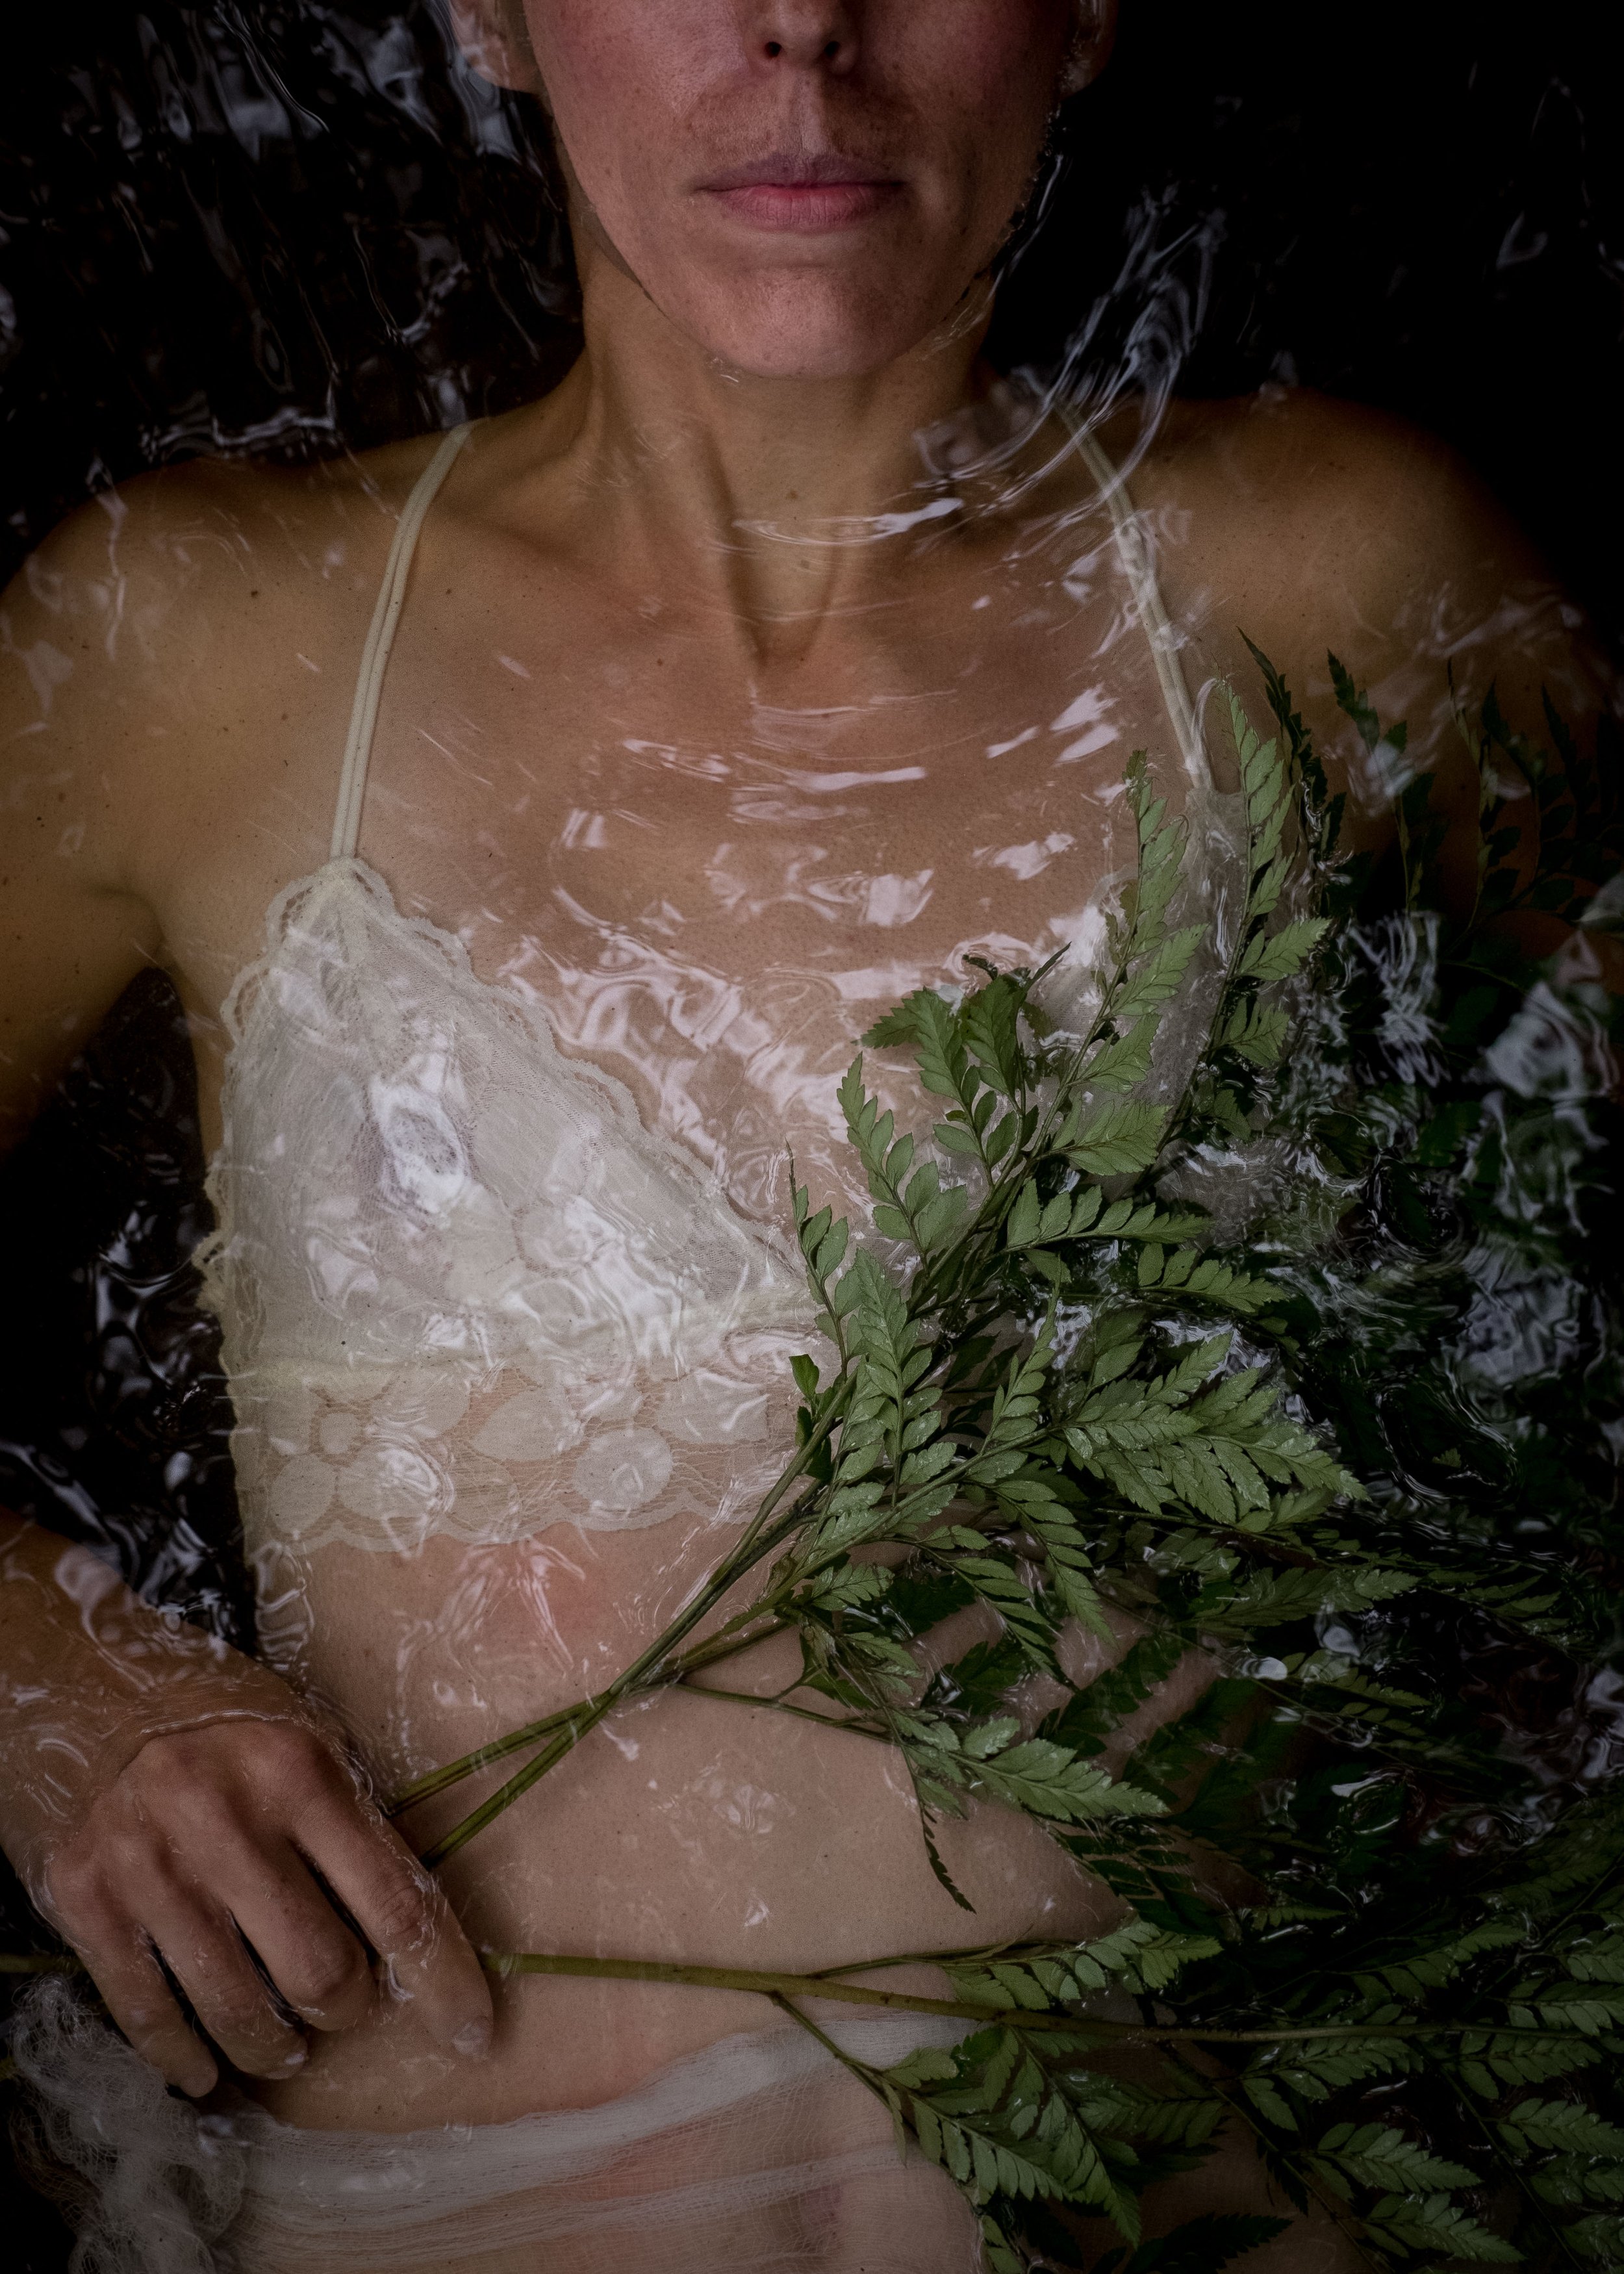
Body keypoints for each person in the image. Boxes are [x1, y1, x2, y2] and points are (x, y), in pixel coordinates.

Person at [0, 3, 1610, 2268]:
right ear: (488, 11)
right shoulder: (194, 650)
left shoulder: (1328, 594)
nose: (799, 29)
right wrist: (49, 1669)